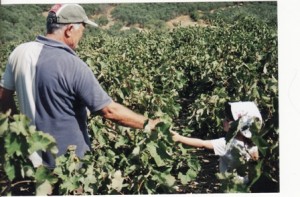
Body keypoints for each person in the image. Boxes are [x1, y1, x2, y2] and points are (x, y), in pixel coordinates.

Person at [0, 4, 160, 169]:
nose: (82, 36)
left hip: (28, 161)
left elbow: (3, 98)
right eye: (82, 30)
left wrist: (21, 131)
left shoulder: (19, 52)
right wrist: (149, 124)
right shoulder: (73, 65)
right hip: (67, 168)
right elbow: (110, 111)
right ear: (69, 29)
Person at [171, 101, 262, 184]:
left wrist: (180, 138)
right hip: (247, 182)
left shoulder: (226, 143)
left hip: (231, 183)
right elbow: (255, 162)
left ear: (236, 126)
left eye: (227, 120)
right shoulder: (253, 144)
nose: (223, 121)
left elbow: (202, 144)